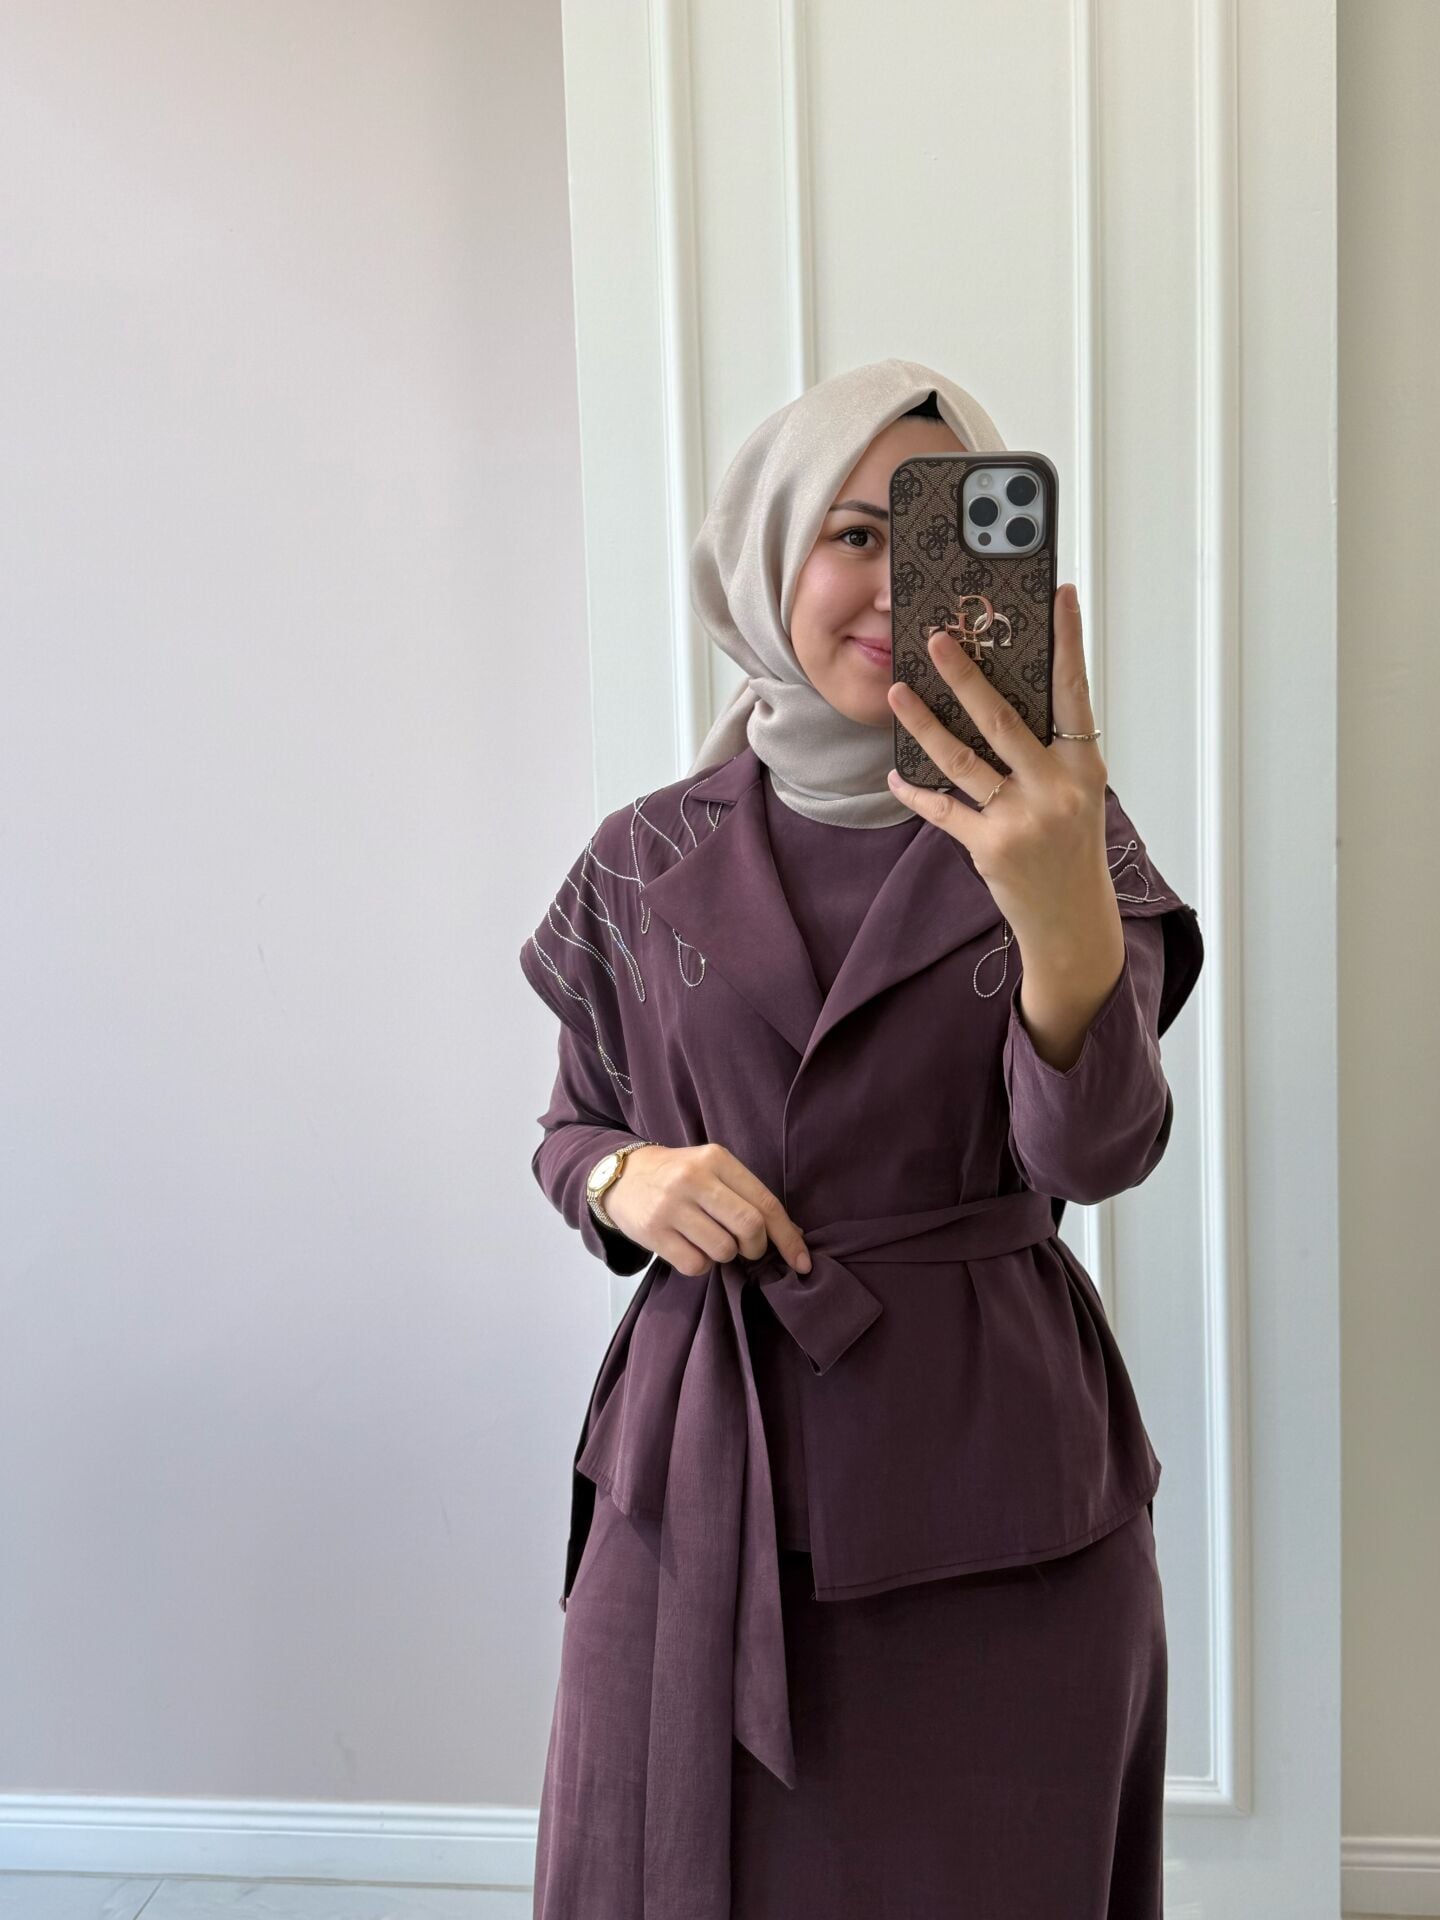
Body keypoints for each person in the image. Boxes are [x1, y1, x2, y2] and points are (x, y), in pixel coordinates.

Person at [518, 357, 1204, 1919]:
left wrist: (1063, 916)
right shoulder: (645, 855)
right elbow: (574, 1125)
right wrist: (626, 1177)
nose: (899, 586)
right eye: (853, 533)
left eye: (944, 534)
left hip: (995, 1494)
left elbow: (1093, 1156)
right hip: (696, 1481)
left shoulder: (1068, 834)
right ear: (767, 556)